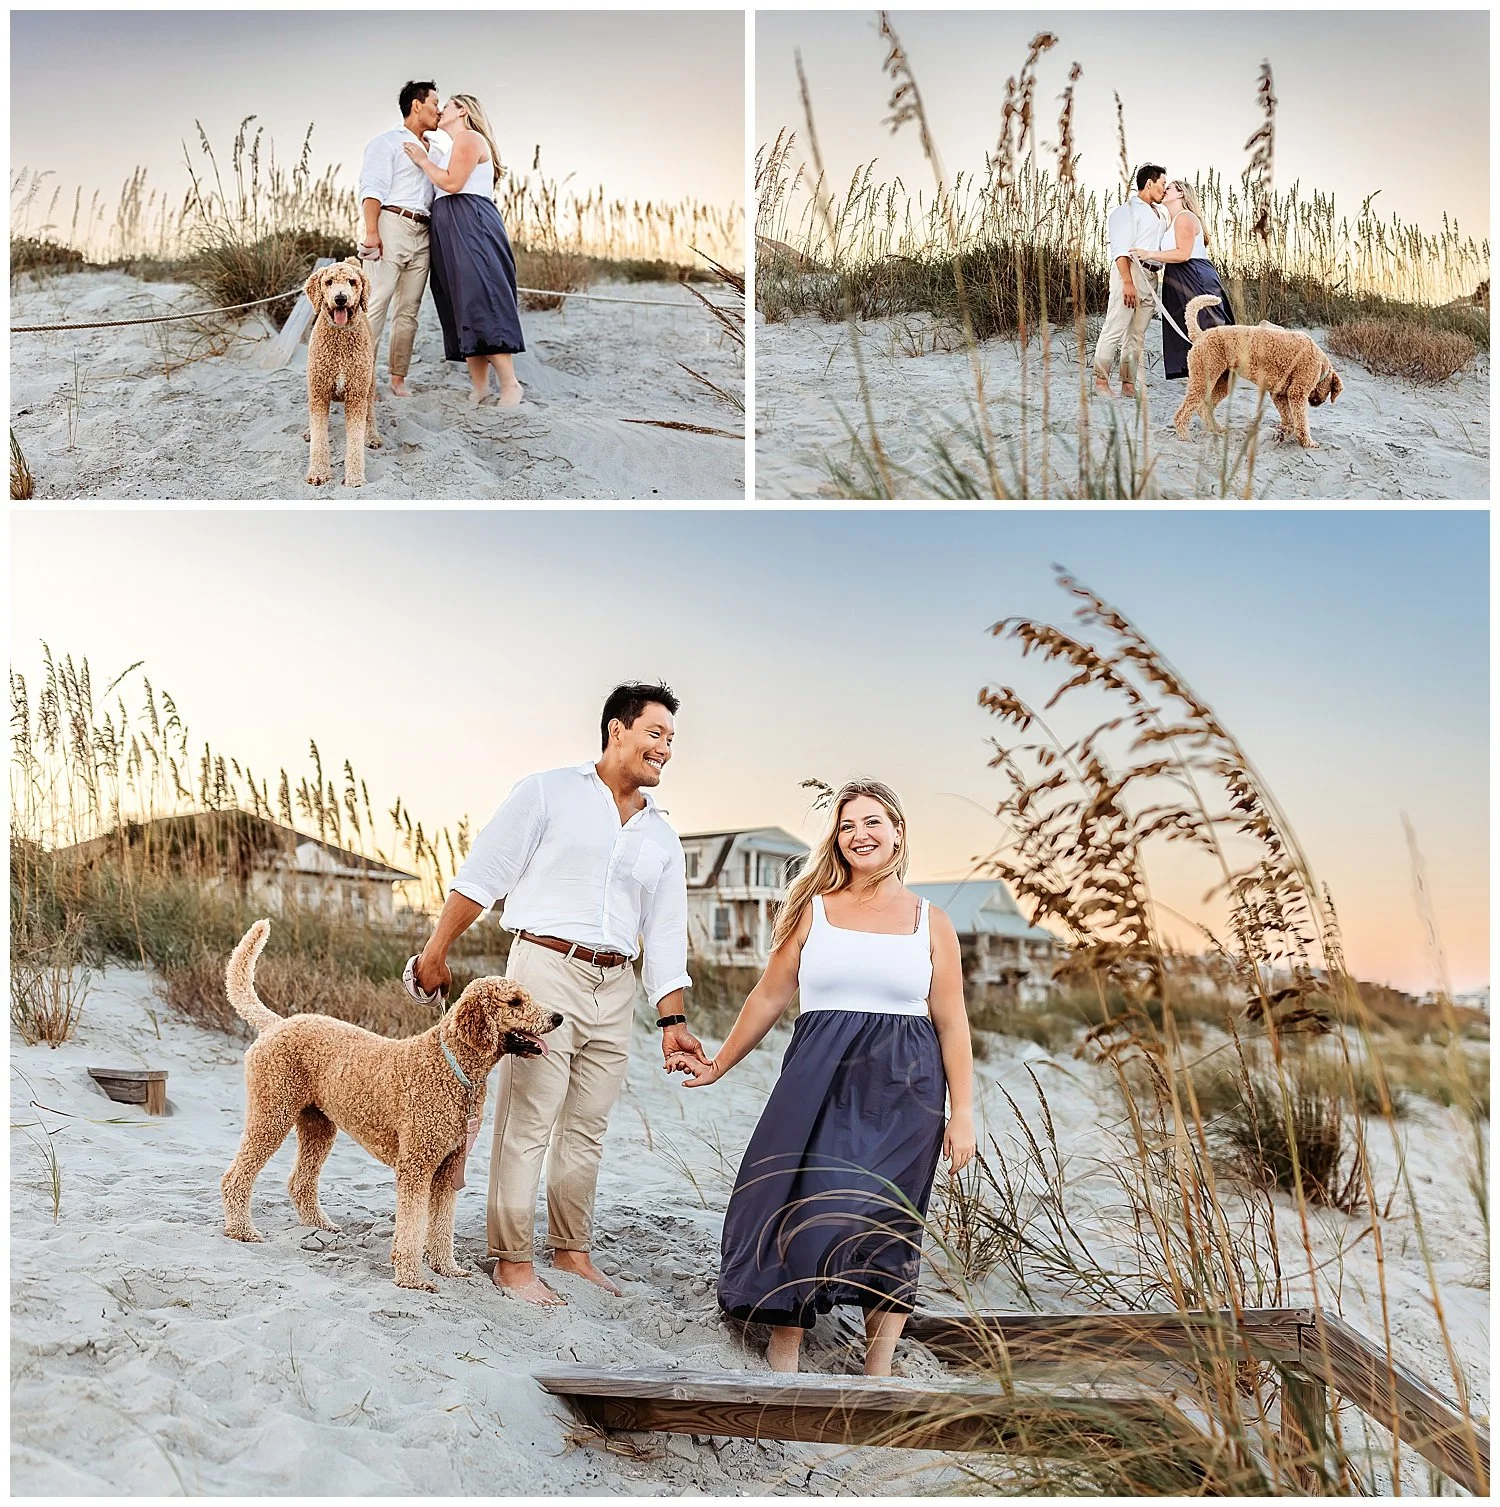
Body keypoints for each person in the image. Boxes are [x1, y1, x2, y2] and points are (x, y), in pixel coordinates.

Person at [410, 683, 707, 1306]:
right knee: (528, 1121)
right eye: (655, 733)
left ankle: (571, 1252)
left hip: (617, 985)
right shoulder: (546, 791)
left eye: (672, 740)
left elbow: (666, 933)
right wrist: (436, 952)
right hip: (545, 969)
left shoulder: (661, 837)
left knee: (587, 1125)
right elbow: (483, 875)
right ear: (617, 730)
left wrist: (671, 1018)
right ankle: (512, 1261)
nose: (665, 750)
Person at [671, 780, 976, 1377]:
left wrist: (962, 1111)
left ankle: (879, 1366)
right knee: (805, 1206)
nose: (859, 835)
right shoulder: (814, 910)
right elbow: (768, 997)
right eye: (847, 826)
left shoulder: (931, 922)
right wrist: (718, 1064)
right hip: (818, 1082)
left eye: (872, 823)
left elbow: (953, 1022)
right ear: (836, 839)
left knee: (889, 1216)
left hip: (906, 1089)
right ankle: (786, 1344)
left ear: (898, 832)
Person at [403, 94, 526, 406]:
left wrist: (422, 159)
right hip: (448, 224)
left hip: (470, 220)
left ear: (464, 110)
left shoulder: (470, 137)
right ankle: (480, 387)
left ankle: (510, 385)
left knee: (481, 296)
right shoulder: (450, 147)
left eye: (448, 104)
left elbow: (452, 183)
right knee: (460, 301)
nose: (441, 109)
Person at [357, 81, 441, 398]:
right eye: (435, 102)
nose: (439, 109)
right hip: (392, 223)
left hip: (425, 231)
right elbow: (372, 188)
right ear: (417, 105)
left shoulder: (438, 149)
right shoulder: (386, 143)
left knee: (409, 309)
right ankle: (363, 378)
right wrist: (372, 231)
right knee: (377, 303)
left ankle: (397, 378)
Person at [1132, 177, 1238, 381]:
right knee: (1190, 327)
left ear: (1181, 193)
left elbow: (1183, 254)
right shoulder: (1173, 221)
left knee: (1206, 326)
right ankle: (1203, 378)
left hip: (1194, 274)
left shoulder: (1185, 217)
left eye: (1169, 188)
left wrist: (1149, 254)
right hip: (1179, 275)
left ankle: (1219, 377)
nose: (1164, 190)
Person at [1093, 163, 1168, 400]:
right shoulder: (1126, 211)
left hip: (1151, 276)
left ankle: (1127, 383)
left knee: (1137, 334)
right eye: (1163, 184)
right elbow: (1120, 250)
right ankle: (1101, 382)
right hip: (1131, 272)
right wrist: (1127, 281)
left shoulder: (1159, 213)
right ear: (1149, 183)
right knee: (1115, 327)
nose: (1165, 190)